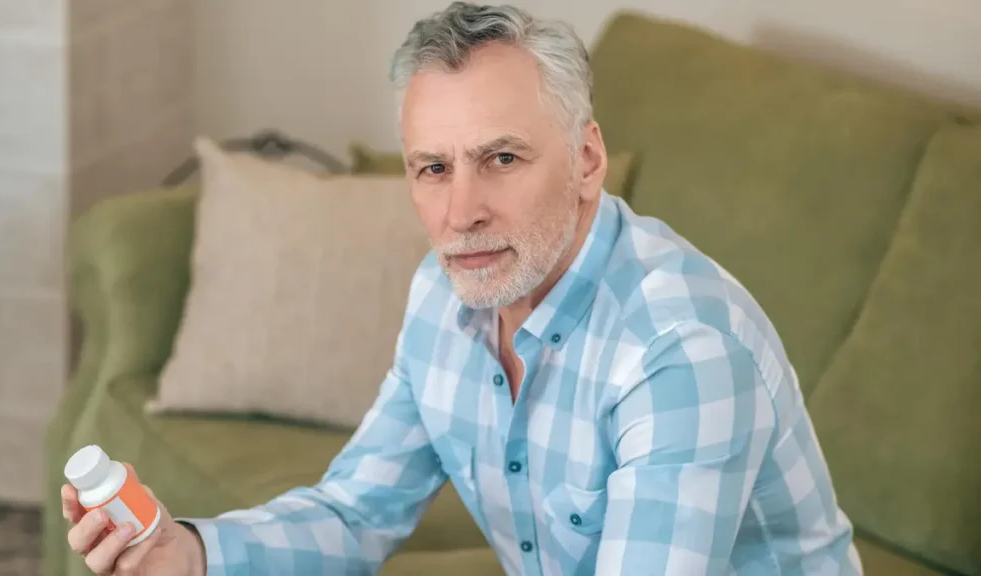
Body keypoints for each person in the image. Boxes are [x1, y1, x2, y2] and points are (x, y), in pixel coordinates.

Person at [63, 2, 864, 574]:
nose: (461, 212)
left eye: (503, 159)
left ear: (587, 161)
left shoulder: (677, 351)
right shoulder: (448, 300)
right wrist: (191, 553)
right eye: (433, 168)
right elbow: (357, 512)